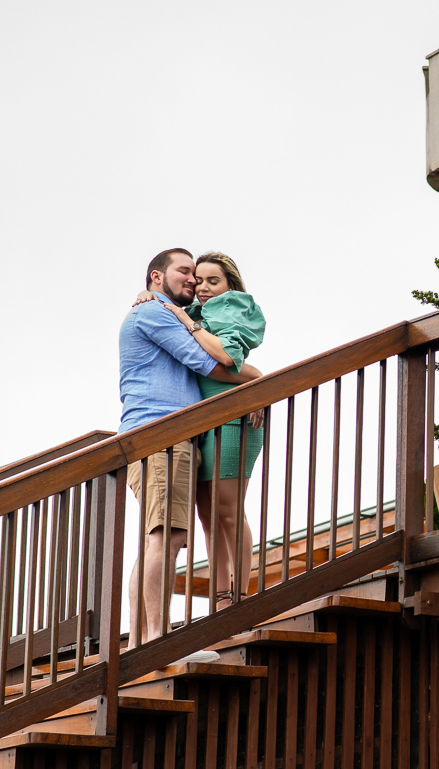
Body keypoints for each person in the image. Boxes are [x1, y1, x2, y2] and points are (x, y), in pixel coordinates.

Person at [119, 248, 261, 645]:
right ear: (157, 277)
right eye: (186, 272)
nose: (195, 282)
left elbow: (218, 348)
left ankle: (141, 639)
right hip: (161, 435)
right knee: (167, 536)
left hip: (179, 434)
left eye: (201, 278)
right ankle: (155, 638)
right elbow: (206, 362)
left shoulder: (182, 312)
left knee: (162, 536)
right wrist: (259, 380)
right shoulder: (155, 313)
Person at [148, 252, 265, 609]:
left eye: (213, 281)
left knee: (228, 510)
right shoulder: (200, 310)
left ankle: (239, 598)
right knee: (209, 515)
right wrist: (150, 296)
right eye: (200, 282)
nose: (203, 289)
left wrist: (187, 319)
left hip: (234, 417)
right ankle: (220, 601)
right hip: (205, 423)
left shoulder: (231, 306)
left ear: (230, 284)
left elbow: (227, 356)